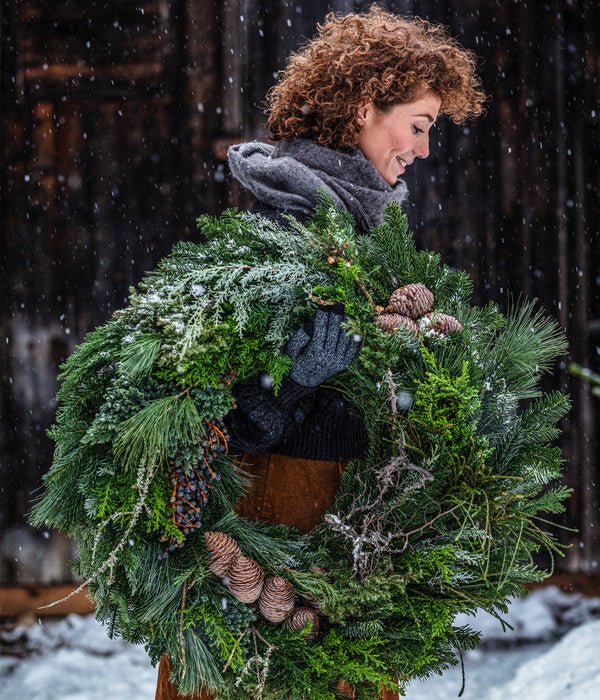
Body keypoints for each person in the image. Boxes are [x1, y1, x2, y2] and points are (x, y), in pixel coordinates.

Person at [155, 6, 485, 699]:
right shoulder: (283, 222)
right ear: (366, 106)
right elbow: (209, 416)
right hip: (271, 528)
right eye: (419, 126)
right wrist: (294, 383)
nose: (423, 151)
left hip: (342, 536)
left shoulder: (360, 226)